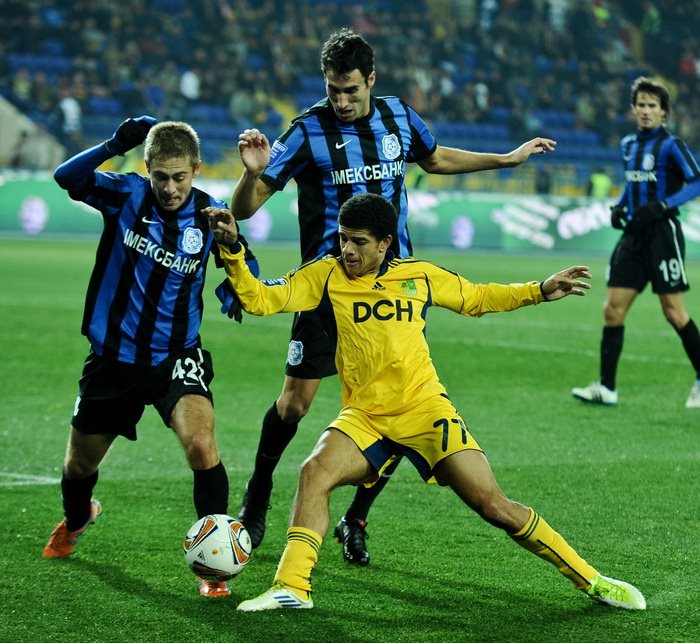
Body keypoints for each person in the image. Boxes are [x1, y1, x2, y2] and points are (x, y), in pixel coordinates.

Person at [206, 192, 645, 613]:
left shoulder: (420, 275)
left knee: (494, 506)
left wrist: (539, 289)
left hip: (426, 411)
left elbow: (476, 297)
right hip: (366, 416)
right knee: (314, 472)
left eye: (359, 242)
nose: (348, 250)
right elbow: (260, 299)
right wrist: (232, 250)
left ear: (385, 243)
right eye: (343, 238)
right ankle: (291, 587)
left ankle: (592, 579)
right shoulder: (325, 274)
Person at [226, 27, 557, 564]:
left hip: (396, 289)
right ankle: (257, 493)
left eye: (351, 90)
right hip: (329, 290)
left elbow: (436, 158)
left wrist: (505, 159)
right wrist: (251, 175)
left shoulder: (399, 116)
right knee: (295, 403)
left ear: (371, 80)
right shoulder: (307, 130)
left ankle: (356, 517)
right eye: (333, 90)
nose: (341, 101)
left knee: (396, 404)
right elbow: (245, 208)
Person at [42, 116, 258, 599]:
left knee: (201, 444)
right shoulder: (126, 195)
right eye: (160, 176)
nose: (170, 188)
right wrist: (114, 143)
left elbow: (244, 262)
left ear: (196, 170)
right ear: (147, 169)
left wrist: (235, 271)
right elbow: (66, 178)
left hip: (175, 357)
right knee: (78, 467)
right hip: (113, 358)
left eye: (179, 177)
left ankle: (214, 566)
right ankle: (78, 518)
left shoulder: (210, 214)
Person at [572, 76, 700, 408]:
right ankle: (606, 388)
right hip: (633, 236)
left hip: (662, 234)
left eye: (652, 105)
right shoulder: (628, 144)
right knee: (612, 309)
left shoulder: (671, 146)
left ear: (664, 112)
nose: (645, 110)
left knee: (674, 312)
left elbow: (696, 181)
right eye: (640, 105)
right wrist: (620, 206)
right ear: (633, 109)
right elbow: (632, 184)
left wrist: (664, 205)